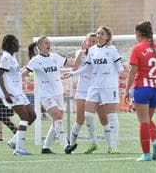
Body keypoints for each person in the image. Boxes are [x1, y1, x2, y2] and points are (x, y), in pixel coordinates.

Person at [66, 26, 123, 154]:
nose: (99, 36)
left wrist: (120, 77)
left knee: (111, 116)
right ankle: (94, 142)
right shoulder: (91, 50)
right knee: (88, 115)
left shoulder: (112, 50)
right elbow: (86, 68)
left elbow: (120, 68)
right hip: (94, 86)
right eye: (98, 33)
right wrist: (72, 74)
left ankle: (112, 146)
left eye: (102, 34)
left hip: (109, 86)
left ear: (107, 36)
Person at [124, 21, 156, 161]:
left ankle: (146, 154)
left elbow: (133, 71)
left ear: (139, 34)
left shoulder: (137, 49)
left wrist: (126, 90)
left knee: (143, 121)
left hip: (142, 87)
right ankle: (155, 141)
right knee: (148, 119)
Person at [22, 37, 76, 154]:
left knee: (57, 120)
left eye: (49, 43)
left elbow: (71, 62)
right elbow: (24, 73)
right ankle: (66, 146)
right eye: (46, 43)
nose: (48, 45)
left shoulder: (55, 57)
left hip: (58, 93)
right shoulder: (35, 60)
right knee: (57, 115)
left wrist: (83, 57)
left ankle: (45, 147)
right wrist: (13, 82)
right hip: (46, 94)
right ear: (40, 46)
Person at [0, 34, 36, 156]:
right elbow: (0, 75)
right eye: (17, 43)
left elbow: (14, 75)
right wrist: (6, 93)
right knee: (24, 118)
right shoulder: (6, 57)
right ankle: (19, 149)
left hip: (19, 92)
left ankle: (14, 141)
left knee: (32, 116)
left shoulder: (12, 57)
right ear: (11, 45)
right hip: (12, 93)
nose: (19, 45)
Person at [68, 33, 98, 151]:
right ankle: (71, 145)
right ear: (85, 42)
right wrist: (80, 53)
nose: (91, 43)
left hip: (96, 90)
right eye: (89, 41)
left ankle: (101, 143)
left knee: (102, 117)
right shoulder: (81, 53)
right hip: (82, 90)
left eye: (94, 41)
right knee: (80, 119)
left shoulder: (100, 54)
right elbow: (75, 67)